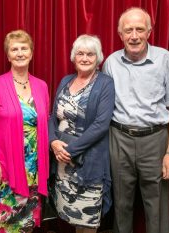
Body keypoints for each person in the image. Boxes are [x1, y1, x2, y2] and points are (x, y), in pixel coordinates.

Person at [102, 7, 169, 233]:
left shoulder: (166, 60)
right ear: (120, 34)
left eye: (139, 29)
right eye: (128, 30)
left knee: (157, 207)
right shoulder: (111, 63)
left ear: (149, 32)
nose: (134, 35)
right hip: (119, 139)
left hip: (155, 141)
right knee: (121, 205)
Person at [49, 34, 115, 233]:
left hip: (89, 162)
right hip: (61, 161)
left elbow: (101, 125)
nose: (85, 58)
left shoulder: (105, 83)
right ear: (73, 57)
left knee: (87, 221)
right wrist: (53, 141)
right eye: (80, 53)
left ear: (98, 58)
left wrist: (69, 150)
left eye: (90, 54)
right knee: (70, 217)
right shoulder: (65, 80)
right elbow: (52, 117)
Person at [0, 29, 49, 233]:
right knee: (6, 224)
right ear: (8, 54)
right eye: (14, 49)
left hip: (34, 169)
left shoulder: (41, 86)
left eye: (24, 48)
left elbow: (45, 123)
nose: (20, 53)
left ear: (31, 53)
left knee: (26, 222)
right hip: (6, 167)